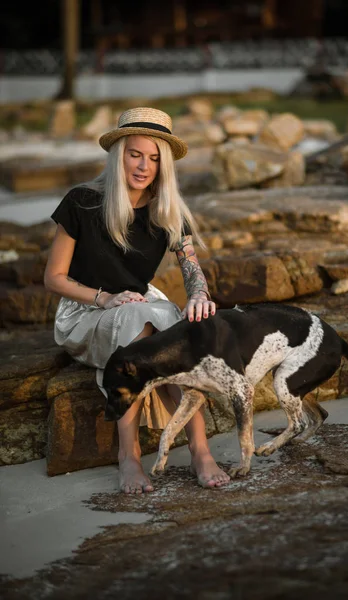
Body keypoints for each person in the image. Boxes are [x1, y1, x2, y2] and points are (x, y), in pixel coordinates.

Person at [44, 106, 230, 494]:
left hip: (141, 304)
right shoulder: (82, 202)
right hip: (86, 311)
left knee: (178, 330)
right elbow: (54, 278)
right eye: (136, 154)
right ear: (119, 155)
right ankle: (128, 456)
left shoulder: (168, 211)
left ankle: (200, 450)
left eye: (155, 158)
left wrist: (198, 295)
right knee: (140, 322)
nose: (144, 166)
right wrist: (105, 297)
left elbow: (192, 269)